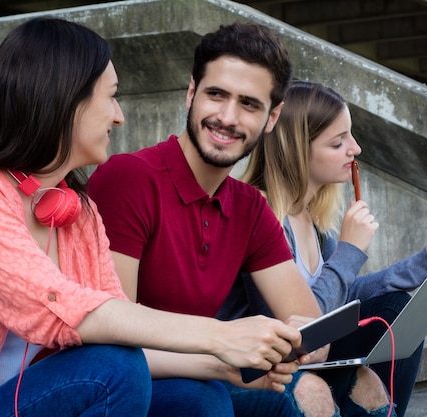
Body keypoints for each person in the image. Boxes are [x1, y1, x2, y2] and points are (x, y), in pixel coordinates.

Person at [0, 17, 307, 417]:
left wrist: (226, 362)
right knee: (114, 370)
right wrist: (220, 335)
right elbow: (54, 306)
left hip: (46, 395)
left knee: (204, 397)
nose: (119, 117)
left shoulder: (79, 212)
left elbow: (120, 334)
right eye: (111, 97)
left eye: (249, 103)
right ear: (64, 97)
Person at [88, 22, 398, 417]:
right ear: (190, 93)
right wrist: (226, 351)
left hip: (216, 369)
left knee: (358, 382)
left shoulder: (251, 208)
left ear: (272, 118)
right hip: (141, 381)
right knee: (212, 399)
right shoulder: (130, 177)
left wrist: (275, 343)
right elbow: (112, 343)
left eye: (249, 104)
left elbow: (314, 336)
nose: (227, 117)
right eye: (216, 95)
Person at [216, 80, 427, 417]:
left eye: (351, 135)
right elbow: (297, 326)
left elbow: (342, 296)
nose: (355, 149)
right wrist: (349, 251)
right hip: (262, 360)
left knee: (395, 307)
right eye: (338, 142)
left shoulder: (312, 218)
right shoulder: (261, 213)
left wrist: (421, 264)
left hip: (308, 352)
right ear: (299, 150)